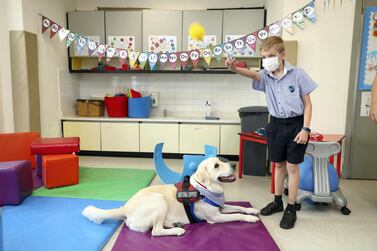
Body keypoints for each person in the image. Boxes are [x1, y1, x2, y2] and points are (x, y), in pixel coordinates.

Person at [225, 36, 318, 229]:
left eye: (271, 55)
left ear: (282, 55)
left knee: (292, 167)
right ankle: (277, 202)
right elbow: (252, 74)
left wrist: (305, 129)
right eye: (264, 56)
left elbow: (308, 105)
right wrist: (234, 68)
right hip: (275, 124)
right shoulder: (266, 76)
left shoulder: (298, 74)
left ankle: (291, 208)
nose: (267, 59)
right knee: (278, 164)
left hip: (296, 125)